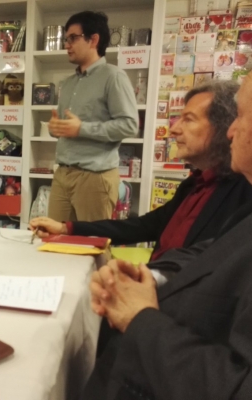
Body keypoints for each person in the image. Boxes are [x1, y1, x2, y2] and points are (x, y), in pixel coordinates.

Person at [84, 71, 252, 400]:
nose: (233, 130)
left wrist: (140, 318)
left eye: (242, 116)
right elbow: (210, 252)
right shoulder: (197, 185)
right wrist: (148, 275)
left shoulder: (239, 192)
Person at [31, 80, 252, 262]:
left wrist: (148, 279)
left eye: (188, 120)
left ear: (224, 128)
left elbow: (212, 267)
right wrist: (66, 228)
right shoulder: (194, 184)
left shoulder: (242, 194)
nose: (174, 129)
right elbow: (143, 226)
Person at [47, 11, 139, 222]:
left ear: (94, 40)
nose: (67, 45)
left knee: (92, 240)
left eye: (73, 38)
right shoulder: (68, 83)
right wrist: (55, 128)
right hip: (62, 174)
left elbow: (129, 125)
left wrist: (81, 129)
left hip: (95, 177)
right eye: (66, 39)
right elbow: (65, 128)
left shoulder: (113, 76)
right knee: (53, 238)